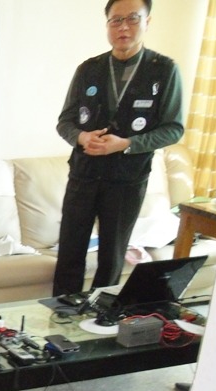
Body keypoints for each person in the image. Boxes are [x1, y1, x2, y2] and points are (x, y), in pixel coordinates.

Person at [52, 0, 183, 298]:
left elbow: (173, 128)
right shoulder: (89, 69)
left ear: (147, 22)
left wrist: (127, 144)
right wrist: (82, 138)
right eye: (116, 20)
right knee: (70, 253)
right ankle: (61, 314)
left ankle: (99, 318)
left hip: (126, 180)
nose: (123, 27)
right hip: (84, 175)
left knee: (111, 257)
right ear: (107, 24)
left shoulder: (164, 70)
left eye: (132, 19)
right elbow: (65, 122)